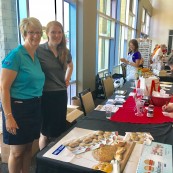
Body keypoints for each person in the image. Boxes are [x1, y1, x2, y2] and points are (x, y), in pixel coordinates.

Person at [1, 17, 45, 173]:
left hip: (34, 107)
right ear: (24, 33)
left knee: (28, 148)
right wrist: (9, 116)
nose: (36, 36)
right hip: (17, 109)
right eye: (31, 32)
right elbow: (3, 88)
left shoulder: (35, 56)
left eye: (38, 32)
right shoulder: (16, 55)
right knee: (17, 152)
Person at [36, 21, 73, 150]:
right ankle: (43, 160)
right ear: (47, 33)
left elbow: (70, 65)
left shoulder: (65, 51)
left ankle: (54, 159)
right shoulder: (39, 50)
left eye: (59, 32)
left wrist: (67, 79)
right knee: (46, 132)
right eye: (53, 32)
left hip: (61, 94)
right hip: (46, 95)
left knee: (59, 130)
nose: (57, 35)